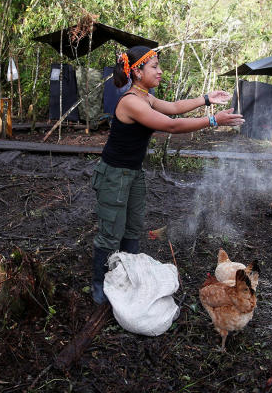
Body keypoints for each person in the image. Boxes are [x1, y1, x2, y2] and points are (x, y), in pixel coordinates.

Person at [90, 45, 245, 304]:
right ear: (137, 72)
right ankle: (99, 283)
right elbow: (172, 125)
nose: (160, 72)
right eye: (154, 67)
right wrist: (213, 121)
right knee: (110, 232)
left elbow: (173, 108)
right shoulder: (130, 102)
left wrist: (206, 99)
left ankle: (129, 276)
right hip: (114, 175)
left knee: (132, 227)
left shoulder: (146, 97)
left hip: (133, 173)